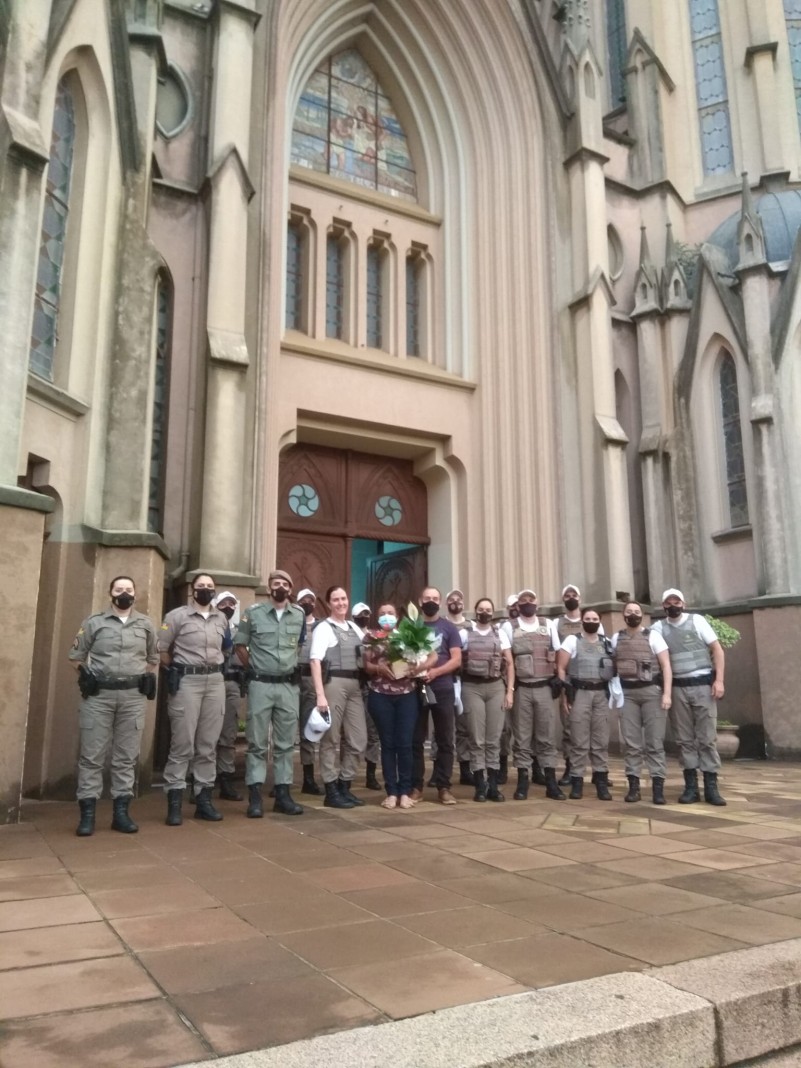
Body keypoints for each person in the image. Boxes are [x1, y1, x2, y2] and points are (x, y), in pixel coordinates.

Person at [69, 576, 159, 836]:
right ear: (110, 593)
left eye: (129, 589)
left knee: (126, 757)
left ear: (135, 593)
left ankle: (121, 813)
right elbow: (75, 656)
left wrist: (140, 676)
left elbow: (153, 657)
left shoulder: (145, 624)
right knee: (92, 757)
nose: (124, 593)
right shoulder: (93, 622)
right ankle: (87, 815)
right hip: (99, 697)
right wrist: (85, 675)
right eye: (119, 589)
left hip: (132, 699)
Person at [234, 569, 306, 817]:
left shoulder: (298, 614)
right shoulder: (252, 613)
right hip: (261, 685)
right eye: (275, 583)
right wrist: (255, 667)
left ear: (290, 588)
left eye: (284, 583)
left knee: (285, 743)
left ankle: (283, 795)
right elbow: (240, 645)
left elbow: (299, 645)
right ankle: (255, 797)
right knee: (256, 742)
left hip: (287, 686)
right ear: (268, 588)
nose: (280, 587)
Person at [158, 574, 228, 825]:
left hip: (215, 683)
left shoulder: (221, 617)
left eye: (210, 587)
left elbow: (225, 648)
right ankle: (174, 801)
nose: (205, 590)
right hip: (188, 682)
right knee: (182, 743)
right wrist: (178, 669)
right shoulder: (176, 617)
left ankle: (203, 799)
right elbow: (162, 649)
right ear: (192, 590)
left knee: (208, 745)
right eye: (201, 586)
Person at [651, 588, 727, 806]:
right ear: (663, 605)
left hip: (703, 685)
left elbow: (717, 650)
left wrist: (719, 680)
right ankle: (691, 787)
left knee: (707, 738)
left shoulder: (697, 621)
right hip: (677, 688)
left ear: (683, 603)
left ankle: (711, 787)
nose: (672, 605)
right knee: (684, 739)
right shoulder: (658, 628)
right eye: (668, 602)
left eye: (676, 601)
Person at [363, 603, 436, 809]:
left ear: (397, 616)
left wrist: (419, 668)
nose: (387, 616)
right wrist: (378, 668)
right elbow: (366, 665)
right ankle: (391, 792)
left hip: (406, 695)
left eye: (391, 613)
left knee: (405, 744)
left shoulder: (408, 634)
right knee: (388, 744)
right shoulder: (371, 637)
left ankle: (405, 790)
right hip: (380, 695)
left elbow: (433, 655)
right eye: (383, 614)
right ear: (378, 618)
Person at [501, 588, 565, 801]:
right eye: (523, 600)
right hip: (523, 689)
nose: (527, 603)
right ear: (517, 605)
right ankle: (522, 782)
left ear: (537, 603)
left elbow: (559, 655)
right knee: (522, 738)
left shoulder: (549, 626)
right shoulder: (508, 627)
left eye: (531, 599)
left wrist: (560, 681)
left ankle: (551, 783)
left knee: (546, 737)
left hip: (545, 688)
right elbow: (507, 662)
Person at [309, 586, 368, 809]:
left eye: (343, 598)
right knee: (330, 739)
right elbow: (315, 661)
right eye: (336, 599)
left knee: (358, 739)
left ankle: (345, 784)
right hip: (334, 684)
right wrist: (320, 695)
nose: (341, 603)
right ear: (329, 603)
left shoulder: (355, 627)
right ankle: (331, 789)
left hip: (355, 686)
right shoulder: (324, 628)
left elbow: (371, 650)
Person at [611, 601, 672, 805]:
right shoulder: (616, 638)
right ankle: (634, 787)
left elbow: (666, 666)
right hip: (627, 694)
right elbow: (612, 668)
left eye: (637, 612)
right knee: (632, 744)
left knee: (655, 742)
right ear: (623, 615)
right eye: (629, 612)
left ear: (642, 615)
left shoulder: (653, 636)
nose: (633, 615)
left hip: (652, 693)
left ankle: (658, 788)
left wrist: (667, 694)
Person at [556, 606, 614, 801]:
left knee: (600, 741)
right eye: (587, 618)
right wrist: (565, 694)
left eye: (595, 618)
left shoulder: (607, 643)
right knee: (579, 741)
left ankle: (601, 782)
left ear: (599, 621)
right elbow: (561, 668)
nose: (591, 621)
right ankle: (577, 781)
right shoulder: (572, 641)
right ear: (582, 620)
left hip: (601, 694)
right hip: (579, 693)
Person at [411, 587, 462, 804]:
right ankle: (416, 786)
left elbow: (456, 659)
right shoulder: (411, 627)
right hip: (415, 689)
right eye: (427, 598)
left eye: (434, 598)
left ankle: (444, 786)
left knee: (445, 739)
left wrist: (436, 672)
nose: (430, 601)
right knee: (415, 739)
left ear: (440, 603)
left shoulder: (449, 628)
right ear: (420, 602)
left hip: (442, 687)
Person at [461, 598, 515, 802]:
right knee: (476, 738)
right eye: (481, 609)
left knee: (494, 738)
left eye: (488, 609)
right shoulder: (465, 633)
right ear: (475, 612)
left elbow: (509, 664)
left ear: (493, 613)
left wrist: (510, 691)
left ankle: (493, 785)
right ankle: (479, 785)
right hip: (471, 687)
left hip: (495, 687)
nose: (485, 612)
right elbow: (457, 659)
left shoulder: (500, 633)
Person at [554, 584, 604, 785]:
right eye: (567, 595)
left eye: (574, 595)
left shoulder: (594, 622)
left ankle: (599, 771)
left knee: (597, 729)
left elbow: (604, 650)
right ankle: (571, 769)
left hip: (594, 684)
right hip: (570, 683)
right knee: (570, 728)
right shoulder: (556, 624)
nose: (571, 598)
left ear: (580, 599)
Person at [213, 591, 244, 802]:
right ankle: (198, 781)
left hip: (231, 683)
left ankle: (225, 778)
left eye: (232, 604)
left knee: (228, 733)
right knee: (202, 733)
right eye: (224, 603)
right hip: (211, 681)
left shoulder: (239, 631)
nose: (228, 607)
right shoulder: (209, 626)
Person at [445, 588, 474, 785]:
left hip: (466, 681)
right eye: (452, 599)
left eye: (459, 599)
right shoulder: (442, 625)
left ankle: (465, 768)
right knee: (443, 725)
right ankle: (440, 768)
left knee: (463, 726)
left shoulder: (471, 626)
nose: (456, 602)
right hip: (445, 679)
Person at [352, 602, 382, 791]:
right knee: (351, 733)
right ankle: (347, 773)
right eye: (361, 614)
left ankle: (371, 773)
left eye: (367, 613)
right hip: (353, 684)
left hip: (371, 685)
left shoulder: (375, 636)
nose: (364, 616)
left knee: (373, 732)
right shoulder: (348, 632)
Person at [296, 587, 323, 795]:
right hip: (290, 679)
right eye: (303, 600)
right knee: (285, 731)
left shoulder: (322, 627)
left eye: (310, 600)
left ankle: (308, 778)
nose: (307, 603)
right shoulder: (291, 623)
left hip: (311, 681)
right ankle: (283, 780)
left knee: (308, 729)